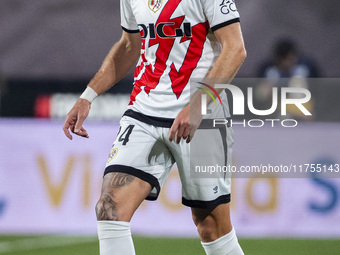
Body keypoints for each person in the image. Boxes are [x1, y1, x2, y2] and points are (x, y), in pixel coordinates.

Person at [63, 0, 246, 254]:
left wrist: (197, 106)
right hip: (143, 112)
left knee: (211, 227)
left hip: (202, 117)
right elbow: (129, 45)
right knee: (109, 208)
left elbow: (235, 48)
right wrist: (88, 96)